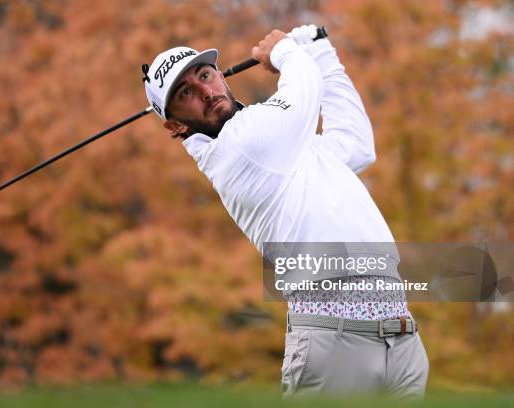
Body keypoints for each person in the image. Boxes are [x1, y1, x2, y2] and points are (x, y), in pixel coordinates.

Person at [143, 26, 429, 398]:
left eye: (204, 75)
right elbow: (301, 91)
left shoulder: (289, 151)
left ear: (219, 74)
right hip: (333, 342)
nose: (205, 92)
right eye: (186, 93)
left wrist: (322, 54)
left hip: (399, 337)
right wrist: (286, 51)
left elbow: (356, 145)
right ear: (176, 124)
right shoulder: (237, 146)